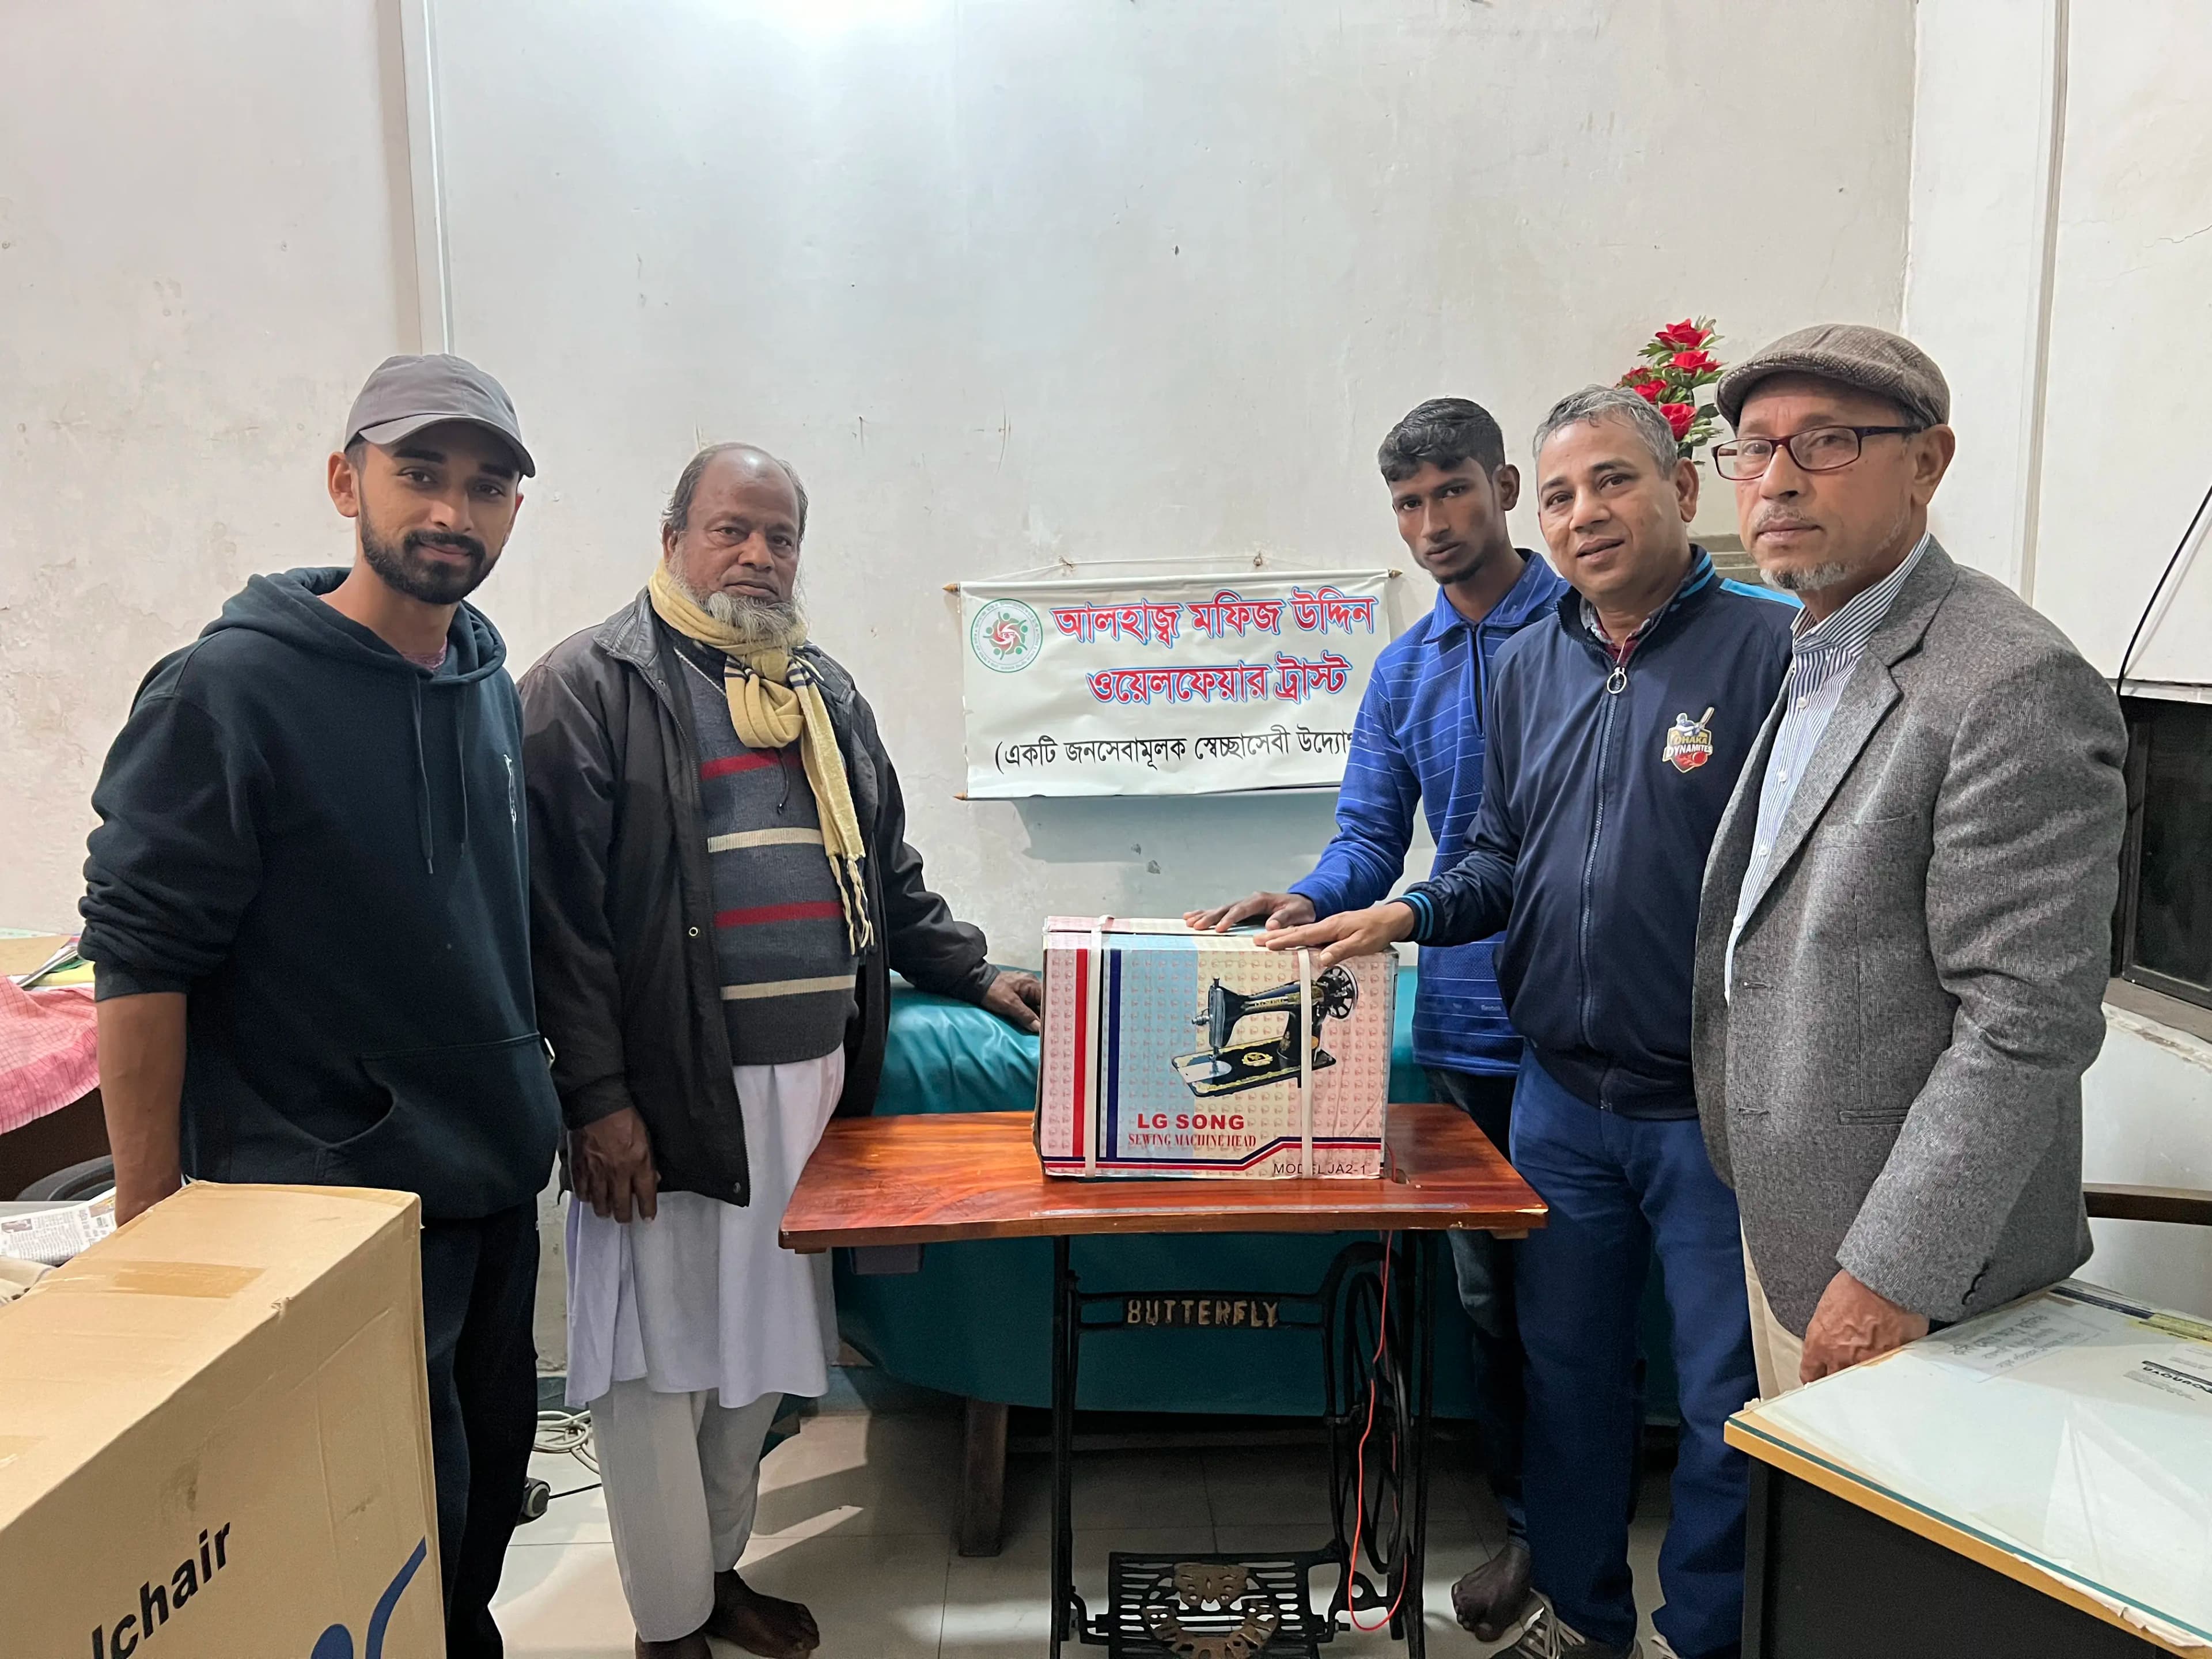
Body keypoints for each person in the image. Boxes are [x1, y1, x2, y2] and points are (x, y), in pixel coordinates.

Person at [1264, 385, 1794, 1659]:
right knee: (1558, 1372)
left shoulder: (1777, 651)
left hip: (1713, 1104)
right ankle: (1580, 1617)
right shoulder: (1526, 660)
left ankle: (1706, 1632)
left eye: (1608, 482)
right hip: (1556, 1088)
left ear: (1683, 489)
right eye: (1565, 495)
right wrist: (1400, 914)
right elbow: (1490, 854)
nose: (1583, 513)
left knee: (1728, 1396)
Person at [520, 442, 1043, 1659]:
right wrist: (596, 1099)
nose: (757, 555)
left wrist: (973, 970)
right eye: (730, 530)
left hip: (812, 1097)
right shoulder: (589, 687)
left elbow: (887, 879)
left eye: (780, 535)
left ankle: (712, 1572)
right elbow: (557, 926)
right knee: (657, 1374)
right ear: (673, 537)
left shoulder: (819, 691)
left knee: (760, 1362)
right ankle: (667, 1627)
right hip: (662, 1100)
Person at [79, 354, 561, 1658]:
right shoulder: (228, 691)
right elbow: (139, 958)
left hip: (488, 1177)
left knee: (472, 1530)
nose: (451, 510)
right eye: (419, 475)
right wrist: (146, 1225)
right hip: (323, 1205)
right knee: (372, 1533)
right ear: (346, 480)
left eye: (484, 486)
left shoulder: (482, 684)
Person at [1184, 396, 1566, 1639]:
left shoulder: (1587, 629)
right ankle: (1528, 1524)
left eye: (1453, 491)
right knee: (1490, 1308)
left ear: (1505, 486)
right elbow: (1368, 836)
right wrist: (1302, 897)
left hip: (1589, 1026)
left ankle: (1568, 1538)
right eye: (1408, 504)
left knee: (1581, 1299)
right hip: (1463, 1026)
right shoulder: (1403, 673)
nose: (1433, 523)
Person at [1693, 324, 2127, 1400]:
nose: (1777, 481)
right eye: (1753, 448)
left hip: (1914, 1284)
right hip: (1802, 1239)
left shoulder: (2008, 681)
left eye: (1827, 443)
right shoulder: (1822, 649)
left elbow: (2026, 1021)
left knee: (1884, 1574)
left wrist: (1891, 1270)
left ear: (1928, 462)